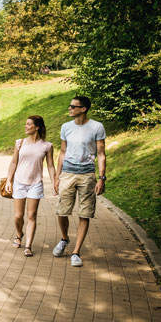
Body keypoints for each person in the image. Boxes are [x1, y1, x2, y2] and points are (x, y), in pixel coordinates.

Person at [52, 96, 106, 267]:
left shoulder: (97, 127)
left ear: (83, 109)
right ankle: (64, 238)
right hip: (67, 174)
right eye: (70, 106)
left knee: (84, 213)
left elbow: (101, 154)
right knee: (62, 211)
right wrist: (57, 176)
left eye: (73, 106)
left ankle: (76, 252)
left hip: (87, 175)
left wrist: (102, 178)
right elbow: (62, 152)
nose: (69, 109)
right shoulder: (66, 127)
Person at [4, 115, 57, 256]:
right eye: (26, 124)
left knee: (32, 215)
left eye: (29, 124)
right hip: (19, 183)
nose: (25, 126)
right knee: (18, 216)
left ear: (37, 127)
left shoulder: (47, 146)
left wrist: (54, 182)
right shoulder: (20, 143)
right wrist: (9, 180)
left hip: (36, 184)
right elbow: (13, 162)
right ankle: (18, 233)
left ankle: (28, 246)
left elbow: (51, 166)